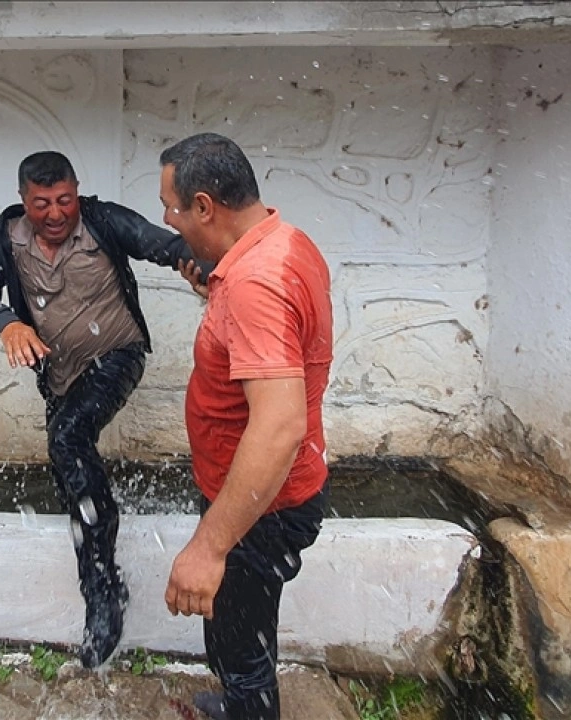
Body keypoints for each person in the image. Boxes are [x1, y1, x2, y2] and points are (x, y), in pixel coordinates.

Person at [0, 151, 209, 669]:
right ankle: (101, 562)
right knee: (68, 467)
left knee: (68, 438)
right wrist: (7, 323)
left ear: (77, 191)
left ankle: (102, 590)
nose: (56, 213)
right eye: (42, 204)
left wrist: (206, 267)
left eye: (64, 200)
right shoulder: (5, 235)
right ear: (24, 200)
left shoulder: (102, 220)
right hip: (59, 373)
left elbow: (166, 246)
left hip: (117, 355)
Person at [158, 133, 333, 720]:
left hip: (263, 507)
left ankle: (248, 707)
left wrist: (209, 548)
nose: (168, 221)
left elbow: (280, 425)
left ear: (205, 206)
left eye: (173, 208)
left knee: (240, 650)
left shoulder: (254, 285)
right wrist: (216, 297)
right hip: (269, 496)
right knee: (245, 630)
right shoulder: (285, 244)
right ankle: (241, 703)